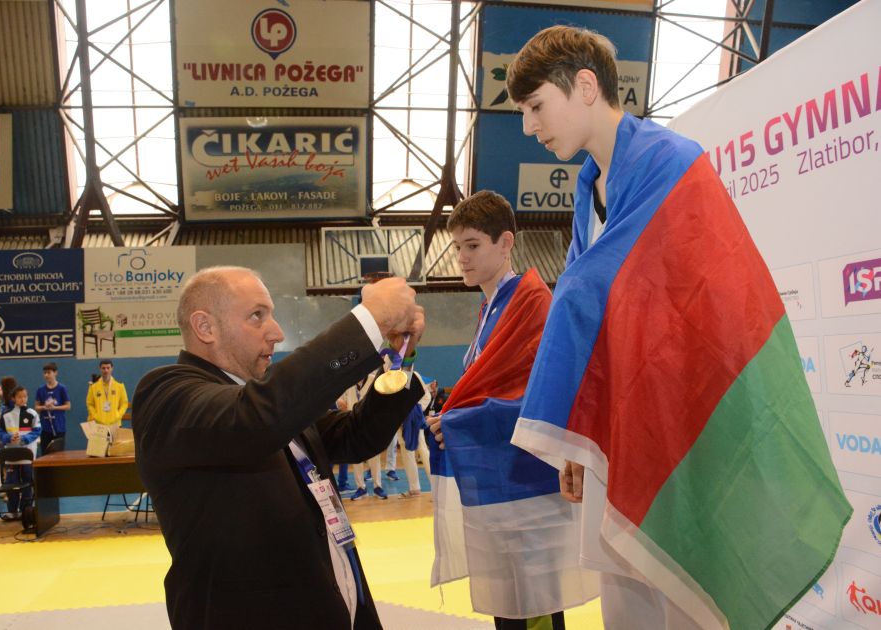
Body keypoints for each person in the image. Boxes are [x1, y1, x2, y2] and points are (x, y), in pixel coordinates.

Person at [506, 26, 851, 630]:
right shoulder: (587, 192)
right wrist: (580, 437)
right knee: (626, 596)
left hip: (689, 409)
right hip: (628, 420)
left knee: (683, 600)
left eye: (536, 107)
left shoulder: (673, 161)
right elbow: (604, 320)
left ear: (584, 86)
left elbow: (642, 295)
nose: (530, 127)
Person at [131, 266, 426, 629]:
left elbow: (356, 435)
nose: (277, 332)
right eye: (257, 316)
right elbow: (255, 418)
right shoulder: (167, 394)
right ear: (205, 327)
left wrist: (400, 357)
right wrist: (369, 320)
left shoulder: (266, 403)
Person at [427, 190, 594, 627]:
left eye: (472, 245)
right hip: (498, 481)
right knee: (510, 609)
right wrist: (450, 418)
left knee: (535, 608)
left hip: (527, 485)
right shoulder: (490, 308)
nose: (461, 258)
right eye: (457, 247)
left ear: (505, 243)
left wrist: (459, 422)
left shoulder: (531, 302)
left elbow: (545, 399)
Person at [0, 386, 41, 521]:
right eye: (19, 397)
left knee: (27, 483)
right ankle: (12, 511)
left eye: (25, 396)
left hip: (27, 456)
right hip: (11, 456)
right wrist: (8, 437)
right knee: (11, 484)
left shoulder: (32, 413)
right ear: (13, 398)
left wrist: (25, 439)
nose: (22, 399)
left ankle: (26, 511)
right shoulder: (6, 414)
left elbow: (37, 430)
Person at [35, 362, 71, 452]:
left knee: (58, 453)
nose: (46, 375)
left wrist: (54, 408)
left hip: (59, 427)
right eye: (45, 373)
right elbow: (36, 407)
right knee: (45, 452)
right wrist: (44, 407)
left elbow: (68, 406)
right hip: (45, 428)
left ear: (55, 373)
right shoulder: (40, 389)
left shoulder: (62, 388)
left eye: (49, 372)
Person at [86, 360, 128, 427]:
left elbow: (124, 403)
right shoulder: (93, 387)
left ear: (112, 369)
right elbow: (90, 403)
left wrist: (118, 415)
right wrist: (95, 415)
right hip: (98, 423)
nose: (106, 370)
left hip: (115, 423)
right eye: (103, 368)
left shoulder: (119, 386)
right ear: (100, 369)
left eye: (108, 368)